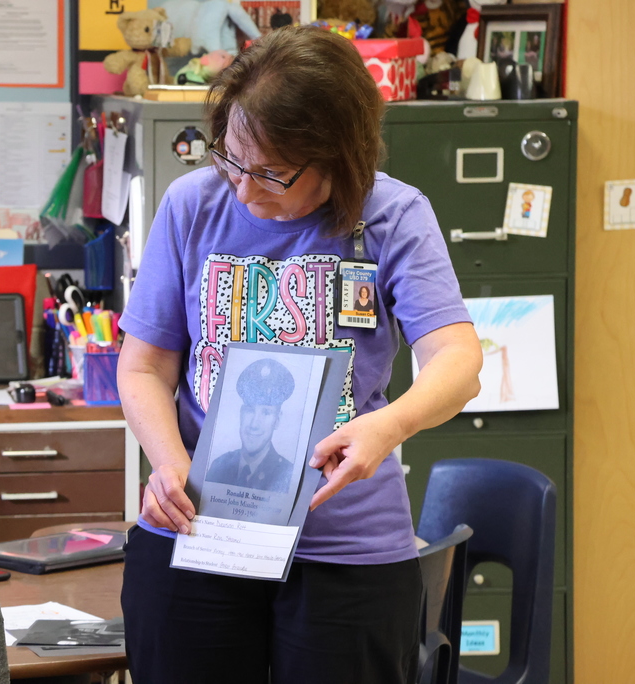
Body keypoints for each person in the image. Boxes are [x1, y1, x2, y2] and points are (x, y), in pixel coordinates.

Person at [116, 26, 482, 684]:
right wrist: (169, 462)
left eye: (272, 173)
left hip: (347, 552)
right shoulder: (190, 206)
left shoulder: (393, 217)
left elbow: (458, 360)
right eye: (230, 159)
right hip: (200, 536)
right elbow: (144, 365)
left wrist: (390, 424)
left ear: (339, 156)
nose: (244, 191)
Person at [206, 357, 296, 493]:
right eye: (249, 410)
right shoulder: (219, 466)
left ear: (277, 420)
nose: (254, 424)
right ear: (241, 413)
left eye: (266, 412)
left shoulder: (288, 474)